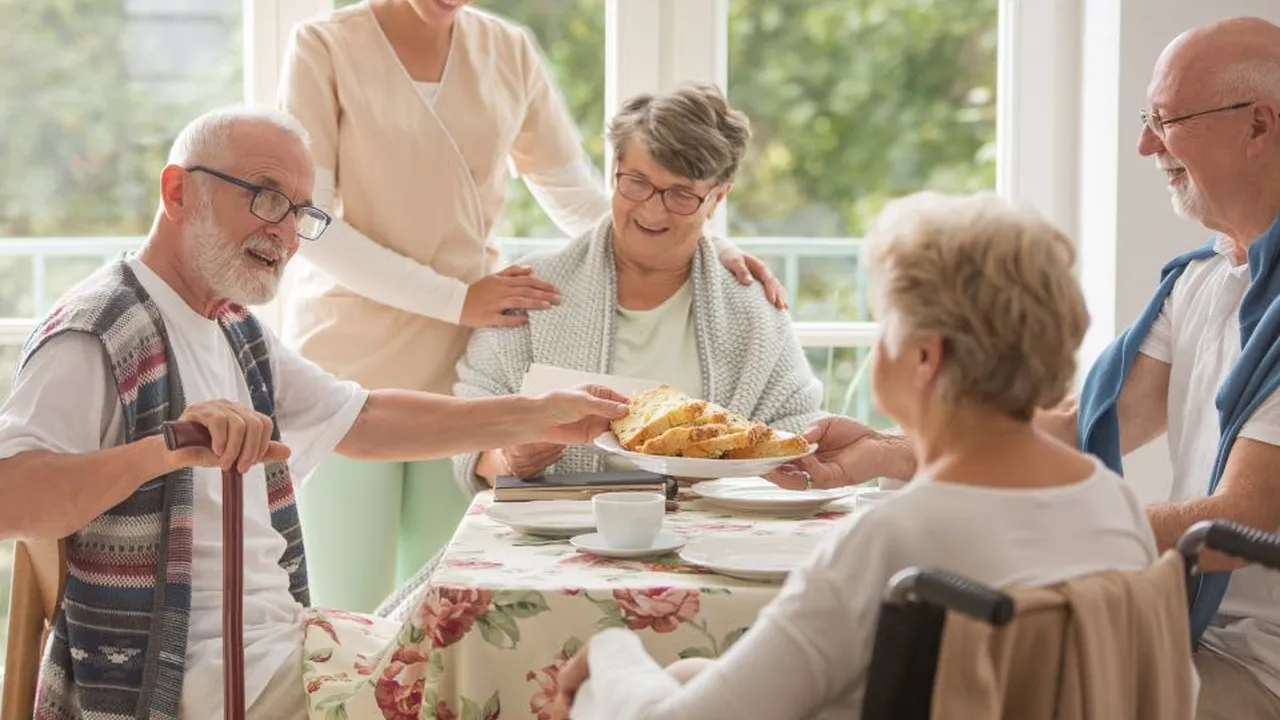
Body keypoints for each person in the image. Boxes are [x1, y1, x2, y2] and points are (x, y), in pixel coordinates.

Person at [0, 107, 629, 720]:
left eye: (301, 213)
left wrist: (538, 416)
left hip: (288, 646)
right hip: (200, 682)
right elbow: (10, 498)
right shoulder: (99, 328)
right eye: (266, 197)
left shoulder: (232, 327)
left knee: (547, 657)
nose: (285, 232)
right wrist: (167, 448)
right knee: (528, 683)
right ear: (177, 191)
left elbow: (363, 419)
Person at [775, 17, 1280, 720]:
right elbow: (1080, 424)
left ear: (1258, 126)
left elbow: (1245, 523)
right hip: (1173, 634)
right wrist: (885, 453)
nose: (1144, 144)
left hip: (1258, 667)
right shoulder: (1204, 277)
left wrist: (1031, 519)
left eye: (1165, 121)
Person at [550, 191, 1170, 719]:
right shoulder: (1111, 502)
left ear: (927, 357)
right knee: (690, 672)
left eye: (885, 328)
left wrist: (610, 650)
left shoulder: (896, 542)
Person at [276, 0, 788, 611]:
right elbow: (312, 222)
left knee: (438, 604)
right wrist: (456, 298)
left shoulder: (506, 50)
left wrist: (701, 236)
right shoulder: (324, 47)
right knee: (345, 603)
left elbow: (571, 187)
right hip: (353, 356)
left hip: (462, 363)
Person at [452, 83, 825, 489]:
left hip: (708, 537)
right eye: (637, 182)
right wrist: (510, 457)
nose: (652, 209)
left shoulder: (750, 305)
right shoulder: (530, 291)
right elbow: (469, 430)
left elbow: (799, 429)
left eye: (681, 194)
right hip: (554, 539)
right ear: (615, 168)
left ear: (718, 197)